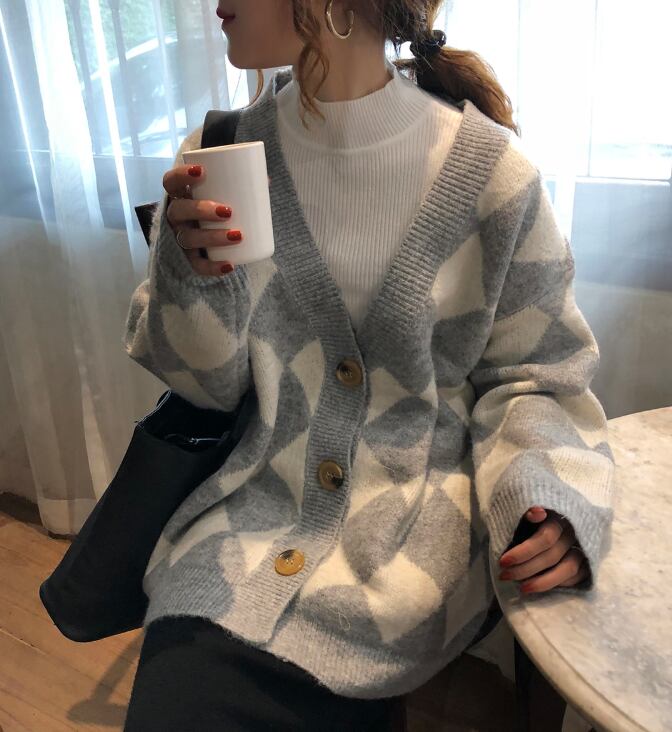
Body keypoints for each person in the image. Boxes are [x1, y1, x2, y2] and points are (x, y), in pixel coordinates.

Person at [121, 1, 615, 729]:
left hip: (416, 534)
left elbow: (539, 376)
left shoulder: (494, 178)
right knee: (177, 692)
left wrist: (549, 493)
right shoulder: (220, 152)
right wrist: (188, 276)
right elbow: (208, 390)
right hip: (248, 516)